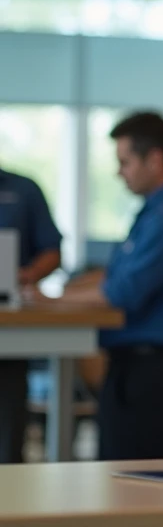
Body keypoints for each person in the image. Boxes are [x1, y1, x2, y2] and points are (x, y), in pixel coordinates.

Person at [49, 112, 163, 460]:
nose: (119, 172)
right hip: (136, 365)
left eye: (125, 162)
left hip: (155, 371)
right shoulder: (154, 210)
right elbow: (113, 275)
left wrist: (52, 302)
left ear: (155, 159)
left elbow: (124, 291)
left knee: (137, 487)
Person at [0, 166, 61, 462]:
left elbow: (51, 248)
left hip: (10, 334)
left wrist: (26, 276)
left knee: (8, 442)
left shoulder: (23, 189)